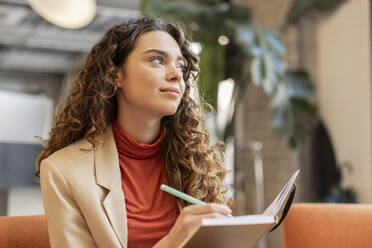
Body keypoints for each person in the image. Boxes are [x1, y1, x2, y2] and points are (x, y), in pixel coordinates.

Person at [36, 16, 233, 248]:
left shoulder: (196, 160)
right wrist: (172, 242)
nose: (177, 75)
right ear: (114, 75)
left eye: (180, 65)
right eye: (157, 60)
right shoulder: (63, 171)